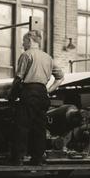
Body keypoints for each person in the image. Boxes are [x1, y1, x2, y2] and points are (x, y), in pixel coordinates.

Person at [8, 30, 64, 165]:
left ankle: (18, 158)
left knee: (22, 125)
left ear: (30, 40)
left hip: (29, 93)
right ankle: (38, 158)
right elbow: (60, 77)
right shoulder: (48, 58)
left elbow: (18, 78)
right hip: (42, 95)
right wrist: (48, 90)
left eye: (24, 41)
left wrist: (11, 95)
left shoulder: (26, 55)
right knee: (39, 128)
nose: (23, 44)